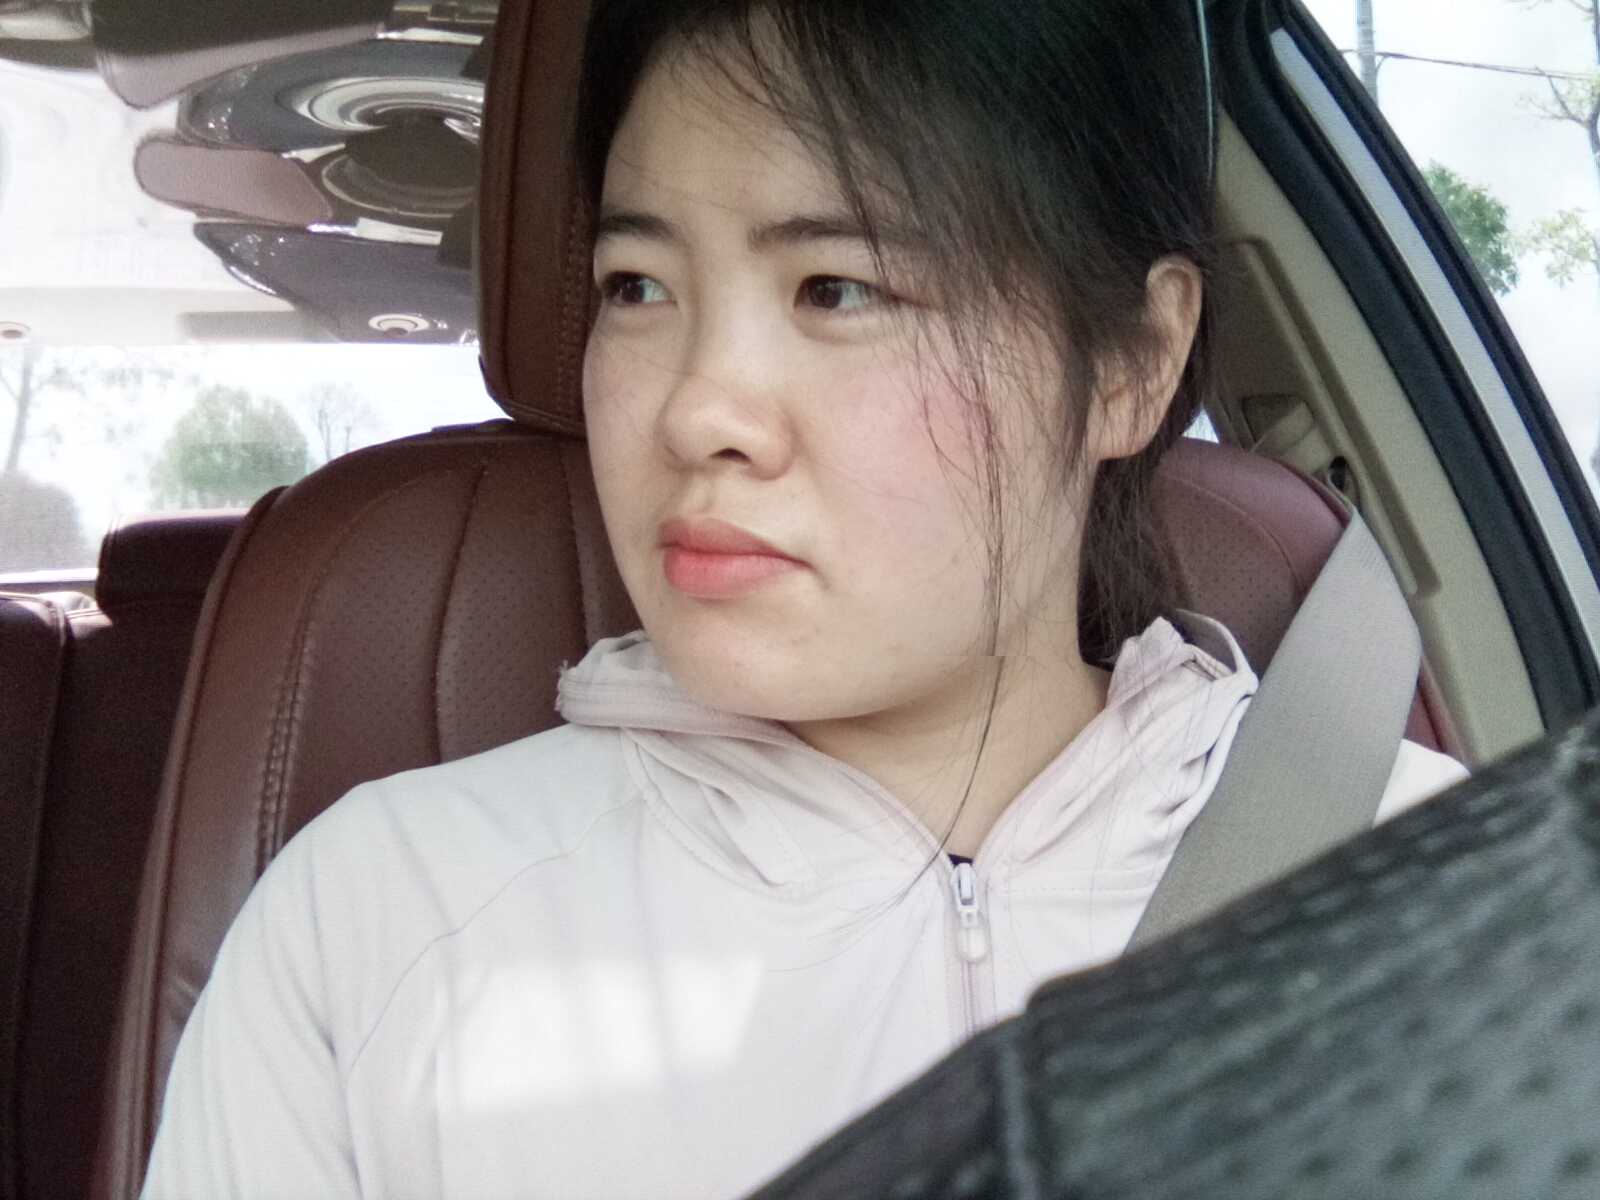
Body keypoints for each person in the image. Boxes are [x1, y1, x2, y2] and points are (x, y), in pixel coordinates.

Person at [141, 0, 1469, 1196]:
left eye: (838, 288)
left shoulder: (1435, 887)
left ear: (1132, 360)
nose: (697, 409)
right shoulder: (376, 924)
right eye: (637, 287)